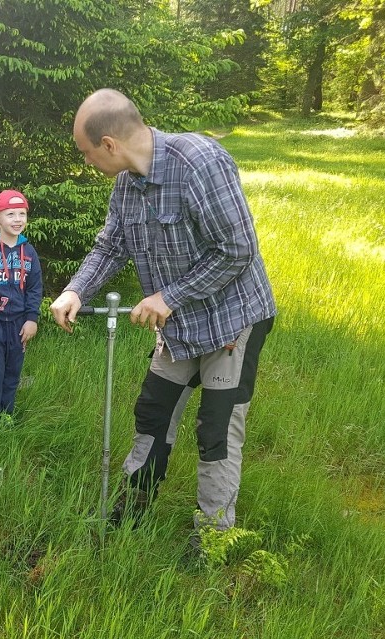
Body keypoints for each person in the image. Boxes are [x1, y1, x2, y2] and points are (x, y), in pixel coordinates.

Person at [50, 89, 276, 536]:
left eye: (87, 153)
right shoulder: (126, 184)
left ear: (110, 144)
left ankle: (212, 538)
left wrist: (168, 297)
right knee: (153, 413)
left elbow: (237, 250)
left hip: (233, 320)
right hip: (178, 328)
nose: (88, 162)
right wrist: (77, 289)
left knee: (216, 431)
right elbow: (111, 245)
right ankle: (130, 516)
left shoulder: (199, 163)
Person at [0, 190, 43, 419]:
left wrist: (31, 319)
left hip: (17, 323)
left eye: (22, 214)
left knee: (13, 371)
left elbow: (35, 288)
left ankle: (6, 414)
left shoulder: (29, 251)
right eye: (11, 214)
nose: (17, 220)